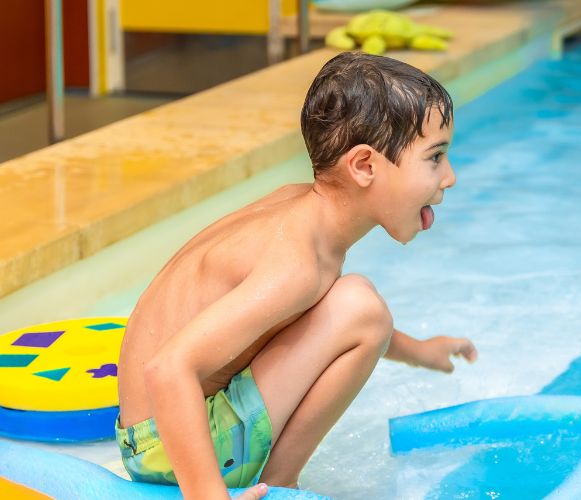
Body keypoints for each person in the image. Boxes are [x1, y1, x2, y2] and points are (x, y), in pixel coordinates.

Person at [115, 52, 478, 500]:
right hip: (172, 449)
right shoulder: (297, 265)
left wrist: (420, 351)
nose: (450, 177)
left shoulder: (299, 211)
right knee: (362, 305)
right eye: (435, 157)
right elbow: (169, 369)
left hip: (155, 435)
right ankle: (280, 484)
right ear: (365, 166)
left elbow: (325, 321)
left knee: (356, 305)